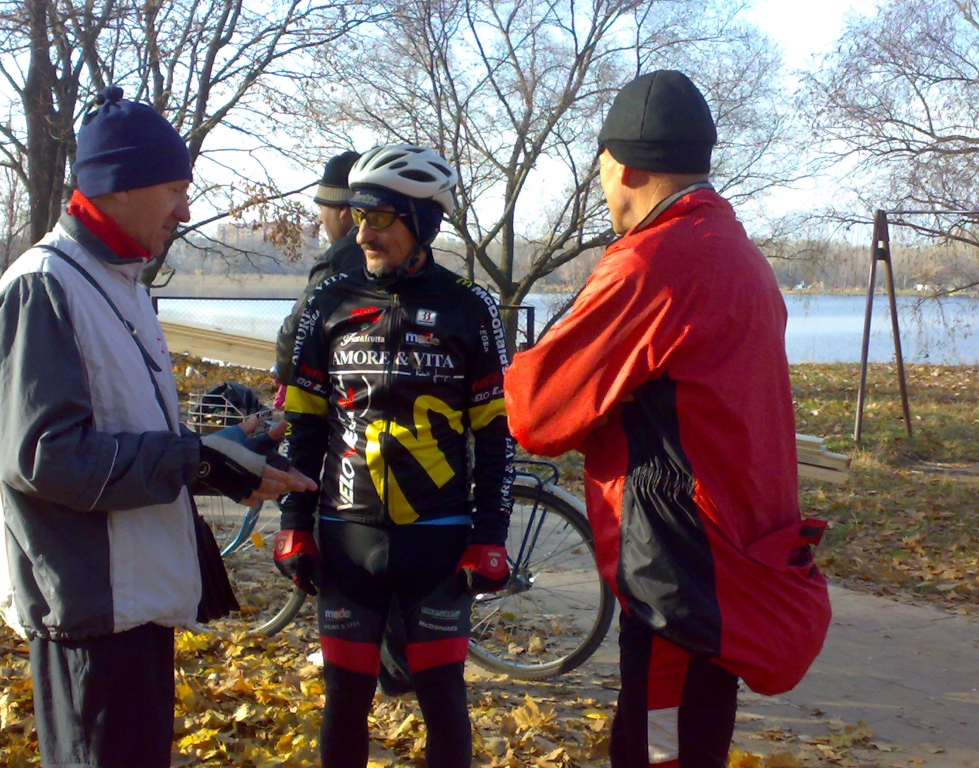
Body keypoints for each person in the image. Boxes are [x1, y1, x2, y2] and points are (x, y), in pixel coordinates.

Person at [0, 86, 316, 768]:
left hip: (133, 602)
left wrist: (229, 454)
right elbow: (44, 457)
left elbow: (130, 429)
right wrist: (193, 460)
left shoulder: (118, 284)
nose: (185, 211)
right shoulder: (45, 285)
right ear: (120, 186)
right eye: (175, 191)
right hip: (90, 611)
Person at [502, 70, 831, 767]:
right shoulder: (739, 253)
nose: (600, 186)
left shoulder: (653, 261)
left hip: (677, 574)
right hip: (729, 562)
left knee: (661, 753)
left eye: (599, 168)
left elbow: (536, 412)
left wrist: (588, 403)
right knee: (681, 739)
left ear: (624, 165)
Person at [273, 144, 515, 768]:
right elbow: (305, 425)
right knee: (344, 698)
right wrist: (294, 523)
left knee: (443, 698)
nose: (363, 232)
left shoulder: (470, 308)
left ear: (422, 222)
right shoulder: (327, 301)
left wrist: (491, 534)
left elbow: (496, 434)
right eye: (358, 216)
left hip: (438, 538)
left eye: (379, 217)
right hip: (345, 534)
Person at [275, 150, 363, 396]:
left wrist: (284, 374)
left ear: (344, 209)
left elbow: (295, 335)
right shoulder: (399, 256)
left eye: (323, 208)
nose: (321, 219)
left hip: (336, 400)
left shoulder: (339, 262)